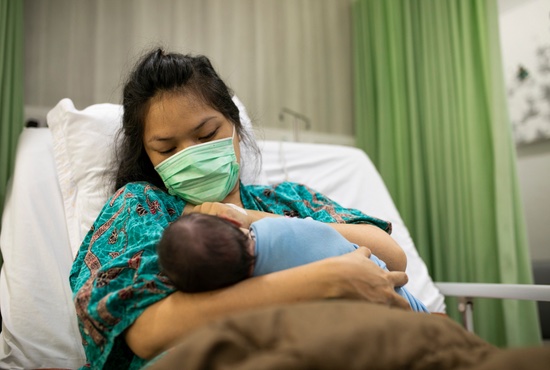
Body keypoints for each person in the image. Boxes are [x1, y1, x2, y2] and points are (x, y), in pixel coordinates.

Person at [69, 48, 412, 370]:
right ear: (147, 156)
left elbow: (392, 257)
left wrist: (247, 217)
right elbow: (145, 334)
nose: (190, 155)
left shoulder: (287, 200)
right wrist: (326, 280)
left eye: (206, 135)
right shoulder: (142, 207)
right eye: (167, 149)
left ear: (234, 125)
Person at [157, 213, 429, 312]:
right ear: (231, 221)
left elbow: (395, 257)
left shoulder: (251, 297)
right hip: (407, 311)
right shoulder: (278, 229)